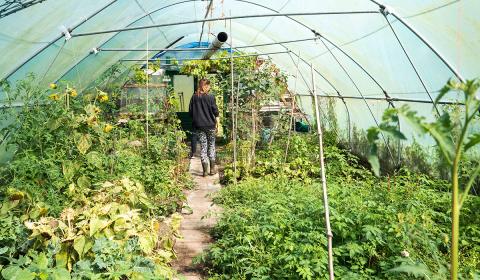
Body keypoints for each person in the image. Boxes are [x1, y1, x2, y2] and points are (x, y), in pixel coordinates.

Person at [188, 78, 219, 176]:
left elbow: (190, 112)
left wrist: (197, 118)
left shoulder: (194, 97)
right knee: (211, 146)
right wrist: (217, 122)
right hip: (210, 126)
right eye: (208, 86)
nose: (209, 88)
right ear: (205, 86)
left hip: (199, 126)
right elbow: (215, 111)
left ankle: (205, 171)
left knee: (203, 147)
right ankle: (212, 170)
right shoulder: (211, 97)